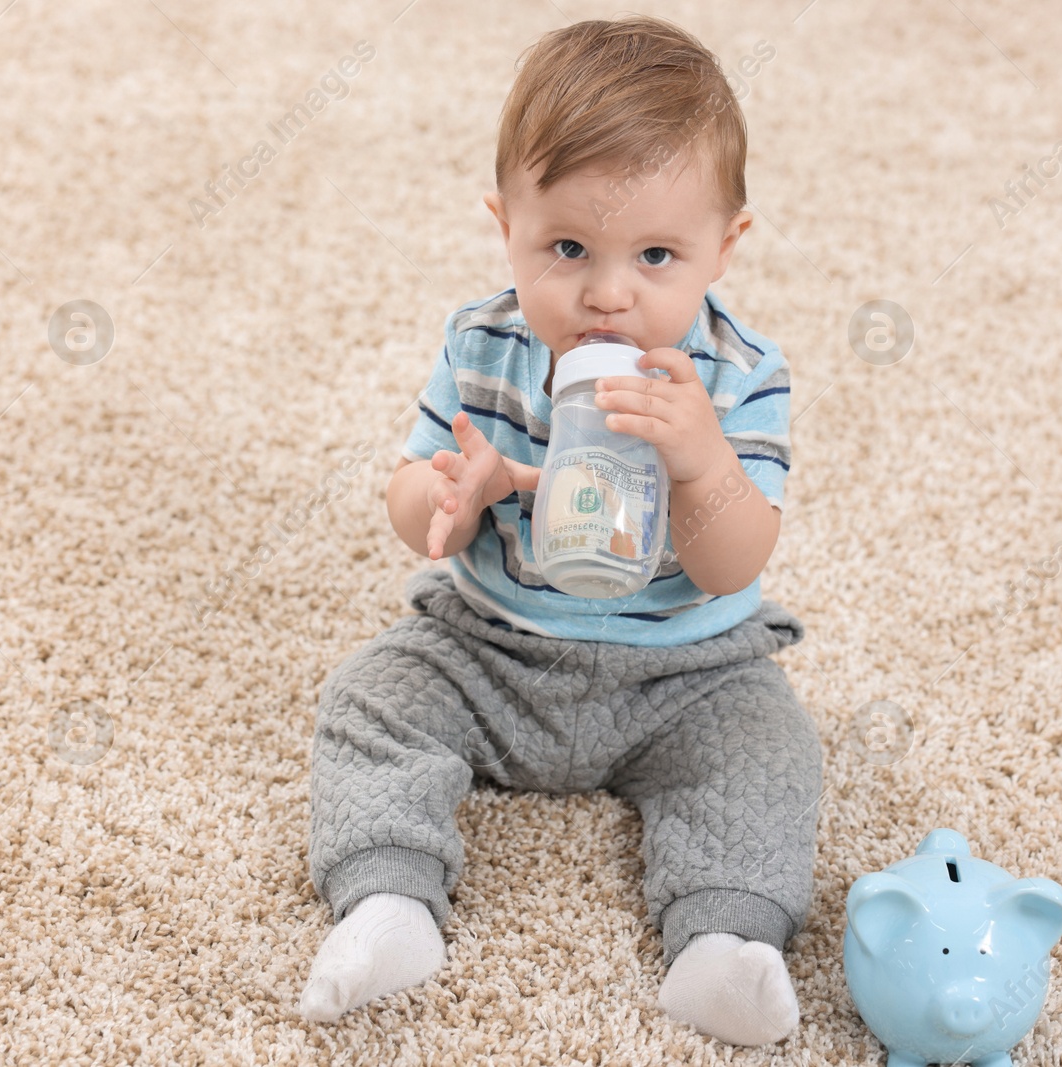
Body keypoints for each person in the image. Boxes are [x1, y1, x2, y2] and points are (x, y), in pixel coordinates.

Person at [299, 15, 819, 1049]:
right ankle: (389, 902)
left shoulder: (740, 374)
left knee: (770, 752)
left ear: (726, 245)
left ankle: (721, 940)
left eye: (658, 254)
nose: (608, 295)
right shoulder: (483, 341)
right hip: (493, 646)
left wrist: (703, 461)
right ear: (507, 226)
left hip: (686, 670)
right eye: (568, 247)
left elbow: (734, 562)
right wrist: (450, 494)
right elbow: (413, 505)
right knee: (371, 697)